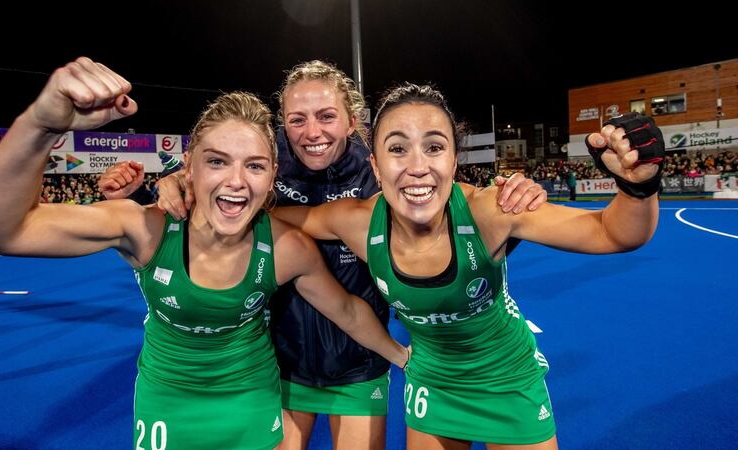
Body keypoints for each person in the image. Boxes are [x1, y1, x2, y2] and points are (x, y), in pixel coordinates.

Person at [0, 57, 410, 450]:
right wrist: (41, 124)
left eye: (253, 166)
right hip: (218, 390)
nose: (236, 179)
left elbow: (351, 308)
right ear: (187, 167)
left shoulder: (309, 232)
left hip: (283, 391)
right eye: (216, 162)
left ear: (271, 176)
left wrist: (407, 355)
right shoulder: (148, 227)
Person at [103, 61, 548, 449]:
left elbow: (455, 221)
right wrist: (168, 185)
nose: (312, 132)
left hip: (359, 361)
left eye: (327, 116)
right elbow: (215, 193)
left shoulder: (384, 175)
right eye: (297, 120)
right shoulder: (264, 170)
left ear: (352, 120)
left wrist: (511, 204)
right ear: (282, 125)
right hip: (281, 365)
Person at [265, 83, 662, 449]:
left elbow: (615, 234)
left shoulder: (491, 211)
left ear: (455, 160)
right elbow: (275, 216)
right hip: (432, 383)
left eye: (434, 148)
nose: (417, 166)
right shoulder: (356, 222)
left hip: (508, 381)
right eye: (398, 149)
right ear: (375, 164)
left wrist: (638, 186)